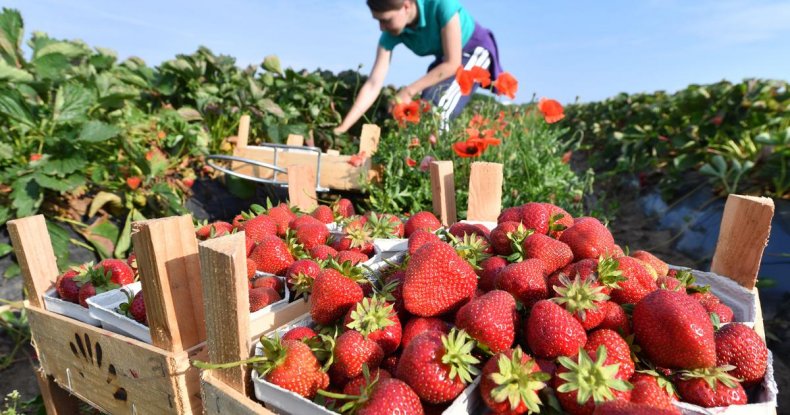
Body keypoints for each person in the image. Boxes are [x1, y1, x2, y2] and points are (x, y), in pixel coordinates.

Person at [333, 0, 503, 134]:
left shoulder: (441, 4)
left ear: (406, 5)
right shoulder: (390, 35)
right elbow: (373, 84)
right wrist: (343, 127)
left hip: (472, 50)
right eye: (378, 21)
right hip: (445, 60)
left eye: (386, 20)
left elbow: (452, 63)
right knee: (424, 108)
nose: (381, 27)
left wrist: (408, 91)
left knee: (438, 110)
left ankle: (441, 168)